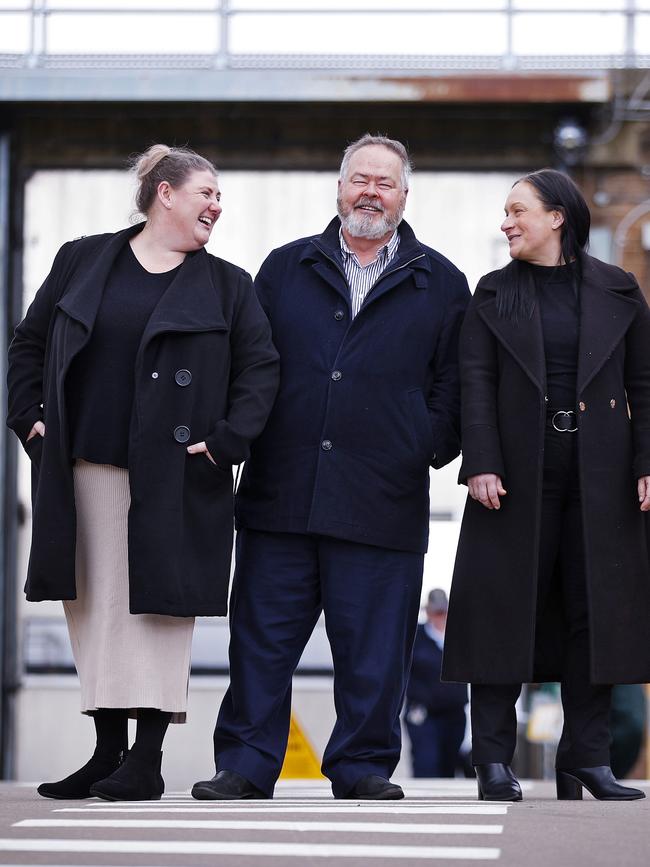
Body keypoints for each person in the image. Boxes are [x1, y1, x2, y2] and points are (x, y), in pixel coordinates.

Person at [191, 133, 470, 801]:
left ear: (404, 195)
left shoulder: (442, 281)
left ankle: (362, 764)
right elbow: (249, 367)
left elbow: (456, 387)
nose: (370, 191)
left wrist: (421, 443)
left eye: (385, 182)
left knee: (375, 652)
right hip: (280, 494)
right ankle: (247, 762)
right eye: (359, 179)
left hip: (383, 499)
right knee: (260, 644)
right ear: (339, 188)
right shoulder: (285, 269)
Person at [6, 144, 279, 801]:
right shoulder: (83, 259)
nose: (217, 203)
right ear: (165, 193)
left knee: (158, 614)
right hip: (82, 466)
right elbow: (29, 341)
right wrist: (30, 418)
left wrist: (225, 443)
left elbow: (261, 370)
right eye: (206, 191)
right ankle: (107, 751)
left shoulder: (227, 285)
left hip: (175, 475)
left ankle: (148, 757)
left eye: (218, 194)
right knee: (95, 609)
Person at [442, 168, 650, 802]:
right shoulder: (493, 292)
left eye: (518, 210)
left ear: (557, 216)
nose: (506, 222)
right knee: (504, 609)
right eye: (506, 212)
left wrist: (646, 463)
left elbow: (644, 384)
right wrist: (480, 460)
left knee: (597, 613)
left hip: (603, 476)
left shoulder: (619, 289)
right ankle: (494, 762)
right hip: (512, 476)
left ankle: (586, 759)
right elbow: (473, 381)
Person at [405, 589, 468, 778]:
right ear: (428, 612)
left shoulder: (459, 636)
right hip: (423, 713)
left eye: (444, 612)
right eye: (437, 612)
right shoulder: (416, 636)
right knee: (427, 762)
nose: (441, 617)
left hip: (454, 712)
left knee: (448, 764)